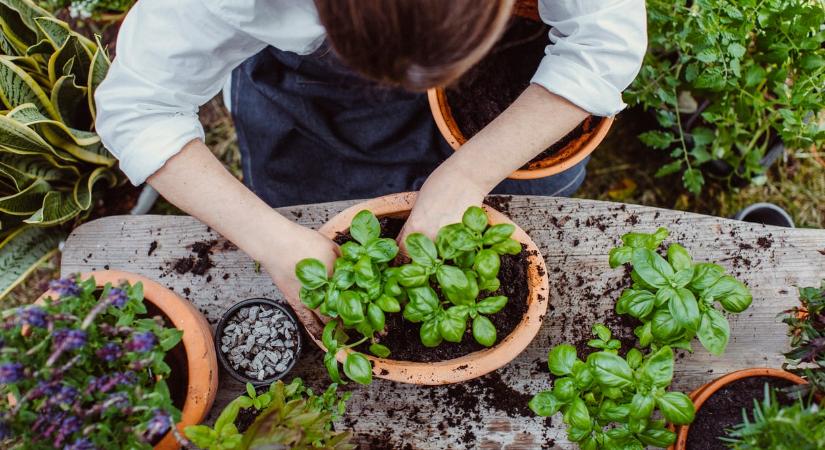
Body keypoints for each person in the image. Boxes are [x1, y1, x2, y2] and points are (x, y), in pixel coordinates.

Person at [94, 0, 647, 304]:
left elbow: (603, 44)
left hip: (502, 94)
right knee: (313, 206)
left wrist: (467, 175)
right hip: (314, 97)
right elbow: (140, 109)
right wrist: (275, 243)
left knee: (533, 206)